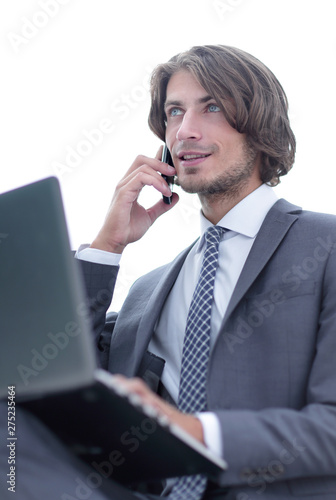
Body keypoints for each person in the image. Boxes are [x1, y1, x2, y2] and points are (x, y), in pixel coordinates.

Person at [1, 44, 336, 500]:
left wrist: (192, 431)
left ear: (260, 126)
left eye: (211, 107)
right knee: (12, 407)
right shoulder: (148, 292)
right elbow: (45, 379)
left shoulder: (325, 244)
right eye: (174, 112)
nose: (185, 131)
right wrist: (107, 246)